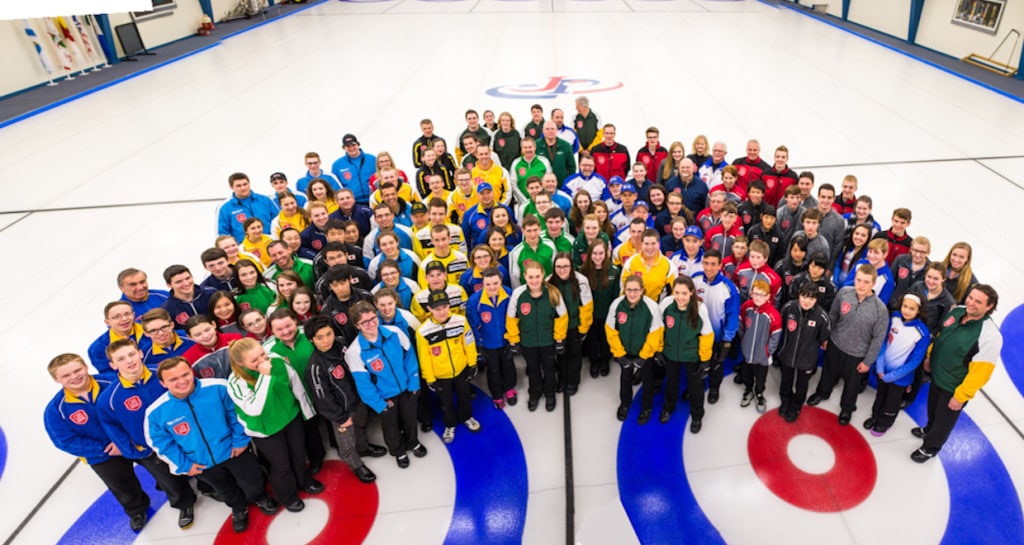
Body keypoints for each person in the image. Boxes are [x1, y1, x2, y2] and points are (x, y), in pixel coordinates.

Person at [145, 357, 279, 533]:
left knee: (251, 479)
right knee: (224, 488)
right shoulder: (155, 412)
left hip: (234, 450)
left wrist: (240, 441)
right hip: (201, 462)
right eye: (173, 379)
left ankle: (259, 496)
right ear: (163, 383)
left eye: (185, 374)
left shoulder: (218, 387)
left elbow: (236, 414)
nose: (182, 381)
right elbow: (161, 444)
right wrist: (185, 465)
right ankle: (238, 508)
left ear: (191, 371)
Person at [97, 340, 197, 529]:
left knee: (201, 465)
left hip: (185, 435)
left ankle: (209, 487)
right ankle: (184, 504)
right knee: (170, 482)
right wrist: (137, 451)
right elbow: (115, 430)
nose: (129, 361)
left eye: (131, 354)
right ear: (113, 365)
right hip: (151, 450)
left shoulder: (165, 376)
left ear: (140, 354)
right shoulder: (108, 399)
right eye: (121, 358)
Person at [44, 353, 148, 532]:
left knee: (160, 468)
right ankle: (136, 510)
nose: (75, 377)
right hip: (103, 454)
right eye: (66, 375)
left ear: (86, 366)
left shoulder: (114, 382)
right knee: (122, 486)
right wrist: (103, 448)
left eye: (77, 370)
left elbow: (138, 409)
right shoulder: (55, 410)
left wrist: (123, 440)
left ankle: (176, 494)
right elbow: (65, 441)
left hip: (132, 440)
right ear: (56, 379)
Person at [226, 338, 322, 513]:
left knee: (299, 454)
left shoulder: (276, 359)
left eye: (262, 354)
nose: (263, 361)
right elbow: (254, 408)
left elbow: (296, 386)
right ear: (241, 363)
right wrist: (265, 376)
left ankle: (304, 480)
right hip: (265, 429)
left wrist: (307, 413)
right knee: (281, 465)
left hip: (289, 416)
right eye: (254, 360)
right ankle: (288, 496)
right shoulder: (235, 382)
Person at [911, 284, 1001, 463]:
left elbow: (980, 373)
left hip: (954, 387)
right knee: (932, 409)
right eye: (971, 297)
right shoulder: (958, 311)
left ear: (989, 307)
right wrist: (930, 356)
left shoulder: (989, 336)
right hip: (937, 375)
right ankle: (928, 429)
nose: (971, 303)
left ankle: (930, 448)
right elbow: (941, 335)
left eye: (978, 301)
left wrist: (961, 396)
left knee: (943, 422)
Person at [345, 301, 425, 468]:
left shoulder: (395, 333)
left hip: (406, 388)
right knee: (391, 427)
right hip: (384, 397)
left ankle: (413, 443)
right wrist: (379, 404)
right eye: (364, 322)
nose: (371, 324)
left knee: (410, 419)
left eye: (373, 318)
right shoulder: (355, 352)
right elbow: (363, 384)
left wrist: (414, 383)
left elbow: (410, 358)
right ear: (357, 325)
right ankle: (398, 451)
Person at [807, 265, 889, 426]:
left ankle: (847, 409)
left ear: (873, 284)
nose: (861, 285)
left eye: (866, 282)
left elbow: (878, 339)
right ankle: (822, 393)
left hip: (857, 354)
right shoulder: (844, 293)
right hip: (835, 344)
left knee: (852, 386)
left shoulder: (880, 310)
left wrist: (867, 362)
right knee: (828, 374)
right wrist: (826, 337)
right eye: (858, 280)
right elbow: (833, 316)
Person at [304, 316, 381, 484]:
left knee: (360, 427)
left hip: (358, 400)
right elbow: (323, 399)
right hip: (341, 412)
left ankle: (364, 448)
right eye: (320, 337)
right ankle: (356, 465)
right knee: (346, 443)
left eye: (328, 334)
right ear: (311, 340)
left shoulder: (341, 345)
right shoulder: (315, 367)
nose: (326, 340)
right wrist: (340, 418)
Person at [264, 308, 327, 473]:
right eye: (279, 329)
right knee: (309, 430)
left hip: (323, 389)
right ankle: (316, 457)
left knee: (330, 420)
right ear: (272, 330)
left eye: (288, 325)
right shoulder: (268, 350)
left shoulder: (309, 333)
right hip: (296, 398)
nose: (285, 331)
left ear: (295, 322)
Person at [417, 291, 482, 442]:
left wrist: (472, 363)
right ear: (429, 309)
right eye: (437, 309)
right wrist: (430, 378)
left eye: (445, 307)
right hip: (441, 375)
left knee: (464, 396)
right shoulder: (423, 331)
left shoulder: (460, 321)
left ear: (449, 305)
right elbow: (424, 357)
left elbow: (468, 342)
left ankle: (466, 417)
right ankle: (450, 424)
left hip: (461, 370)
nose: (442, 311)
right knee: (445, 403)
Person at [651, 276, 714, 429]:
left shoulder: (700, 308)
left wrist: (705, 360)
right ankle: (668, 408)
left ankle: (697, 416)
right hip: (671, 353)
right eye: (677, 292)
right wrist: (658, 350)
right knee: (671, 383)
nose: (680, 297)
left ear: (691, 292)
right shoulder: (666, 304)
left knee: (695, 386)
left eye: (684, 293)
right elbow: (658, 329)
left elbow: (707, 334)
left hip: (692, 356)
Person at [863, 294, 930, 436]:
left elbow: (915, 362)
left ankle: (884, 422)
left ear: (919, 310)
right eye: (905, 306)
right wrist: (880, 367)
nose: (907, 311)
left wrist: (892, 376)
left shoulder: (922, 333)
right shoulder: (894, 317)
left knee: (892, 402)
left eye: (912, 308)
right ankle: (875, 417)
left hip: (900, 378)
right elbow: (883, 342)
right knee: (880, 396)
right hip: (883, 372)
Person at [507, 260, 568, 412]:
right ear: (524, 277)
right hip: (528, 342)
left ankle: (550, 395)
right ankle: (534, 394)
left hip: (548, 340)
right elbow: (511, 319)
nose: (534, 280)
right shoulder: (518, 294)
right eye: (530, 277)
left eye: (537, 276)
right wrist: (514, 340)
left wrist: (559, 338)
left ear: (543, 276)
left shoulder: (553, 293)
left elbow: (562, 317)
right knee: (533, 370)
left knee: (549, 369)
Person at [607, 275, 663, 421]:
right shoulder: (616, 305)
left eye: (636, 290)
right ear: (624, 290)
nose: (632, 294)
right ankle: (625, 404)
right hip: (625, 352)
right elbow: (611, 330)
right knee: (625, 378)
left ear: (642, 290)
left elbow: (655, 333)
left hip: (644, 353)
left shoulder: (651, 307)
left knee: (647, 379)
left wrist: (644, 356)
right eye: (629, 290)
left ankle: (646, 407)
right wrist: (619, 354)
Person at [776, 284, 831, 423]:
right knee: (786, 381)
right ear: (799, 295)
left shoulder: (821, 316)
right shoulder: (789, 307)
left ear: (817, 299)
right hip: (787, 354)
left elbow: (823, 338)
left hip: (807, 360)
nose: (807, 301)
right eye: (804, 296)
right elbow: (780, 326)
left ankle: (796, 406)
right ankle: (785, 401)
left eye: (812, 298)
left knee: (801, 385)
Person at [691, 249, 741, 404]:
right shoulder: (695, 279)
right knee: (695, 364)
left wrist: (727, 341)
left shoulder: (729, 289)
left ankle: (714, 388)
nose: (709, 268)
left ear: (720, 266)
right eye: (706, 263)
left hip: (717, 337)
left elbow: (733, 317)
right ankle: (695, 388)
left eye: (713, 264)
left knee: (716, 366)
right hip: (696, 335)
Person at [467, 268, 518, 409]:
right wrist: (479, 345)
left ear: (501, 281)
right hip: (488, 344)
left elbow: (514, 317)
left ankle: (509, 389)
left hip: (506, 340)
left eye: (495, 283)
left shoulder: (509, 294)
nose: (492, 287)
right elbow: (472, 325)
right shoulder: (474, 301)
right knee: (493, 369)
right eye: (488, 284)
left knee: (508, 365)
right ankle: (496, 394)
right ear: (482, 284)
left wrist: (514, 339)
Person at [549, 253, 593, 396]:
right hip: (557, 328)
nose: (562, 270)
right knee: (560, 355)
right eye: (559, 266)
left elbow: (587, 307)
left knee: (574, 355)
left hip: (575, 325)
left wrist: (583, 328)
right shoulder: (548, 282)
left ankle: (573, 381)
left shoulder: (581, 281)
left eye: (566, 266)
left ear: (571, 266)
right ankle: (562, 379)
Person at [738, 280, 782, 414]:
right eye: (755, 294)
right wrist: (744, 340)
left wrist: (768, 351)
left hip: (762, 356)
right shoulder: (746, 307)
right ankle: (748, 390)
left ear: (768, 296)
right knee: (746, 374)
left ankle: (759, 394)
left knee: (761, 378)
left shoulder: (773, 315)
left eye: (762, 295)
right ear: (751, 293)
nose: (758, 297)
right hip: (747, 354)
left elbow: (775, 336)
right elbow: (740, 324)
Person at [580, 239, 621, 379]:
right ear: (590, 254)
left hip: (607, 314)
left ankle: (605, 360)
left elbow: (616, 296)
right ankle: (594, 362)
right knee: (591, 340)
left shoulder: (614, 271)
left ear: (607, 254)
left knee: (605, 339)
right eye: (595, 253)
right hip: (590, 315)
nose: (598, 257)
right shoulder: (583, 271)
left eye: (601, 253)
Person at [88, 301, 152, 375]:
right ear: (107, 322)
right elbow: (109, 375)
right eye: (116, 317)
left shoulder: (152, 330)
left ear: (133, 315)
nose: (124, 319)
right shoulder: (97, 349)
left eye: (127, 314)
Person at [218, 172, 278, 243]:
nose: (243, 188)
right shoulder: (225, 208)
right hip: (243, 249)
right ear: (231, 187)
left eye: (245, 184)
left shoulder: (265, 200)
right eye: (238, 186)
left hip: (270, 244)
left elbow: (278, 220)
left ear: (249, 184)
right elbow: (222, 234)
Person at [182, 313, 242, 378]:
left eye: (207, 330)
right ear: (190, 337)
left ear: (214, 325)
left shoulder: (235, 339)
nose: (206, 336)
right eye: (198, 334)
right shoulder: (189, 357)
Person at [622, 228, 675, 301]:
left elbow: (673, 293)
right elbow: (623, 288)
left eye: (653, 243)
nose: (650, 247)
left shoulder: (669, 266)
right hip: (634, 308)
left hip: (658, 309)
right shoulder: (631, 262)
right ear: (641, 244)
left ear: (658, 244)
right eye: (646, 244)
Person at [509, 215, 557, 287]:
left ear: (540, 228)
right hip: (528, 292)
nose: (533, 234)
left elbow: (556, 268)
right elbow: (515, 277)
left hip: (549, 288)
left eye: (535, 230)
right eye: (529, 231)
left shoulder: (550, 245)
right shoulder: (515, 252)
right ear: (523, 230)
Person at [331, 134, 375, 205]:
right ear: (344, 148)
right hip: (352, 203)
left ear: (358, 144)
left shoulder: (372, 159)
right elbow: (335, 186)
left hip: (373, 199)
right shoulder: (337, 165)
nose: (351, 148)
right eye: (348, 146)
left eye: (353, 145)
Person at [537, 120, 576, 185]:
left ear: (556, 130)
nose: (550, 131)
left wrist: (567, 182)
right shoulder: (536, 145)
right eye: (547, 129)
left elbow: (572, 167)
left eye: (552, 129)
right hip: (542, 185)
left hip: (561, 184)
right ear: (543, 131)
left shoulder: (566, 146)